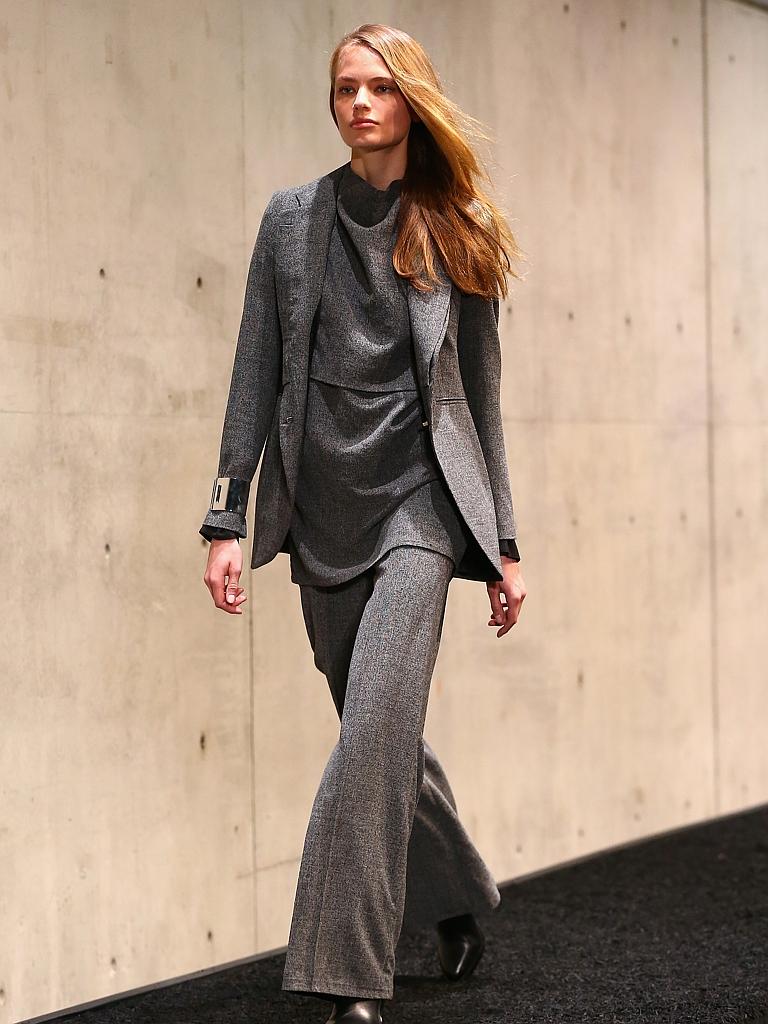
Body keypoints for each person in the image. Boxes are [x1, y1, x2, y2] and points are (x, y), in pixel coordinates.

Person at [200, 22, 527, 1024]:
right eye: (346, 87)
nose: (360, 104)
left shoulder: (452, 227)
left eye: (380, 87)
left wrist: (503, 540)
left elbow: (478, 396)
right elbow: (254, 374)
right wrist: (226, 514)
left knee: (375, 731)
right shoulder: (290, 222)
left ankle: (345, 975)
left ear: (411, 100)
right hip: (325, 512)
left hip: (421, 512)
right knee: (378, 733)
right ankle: (461, 895)